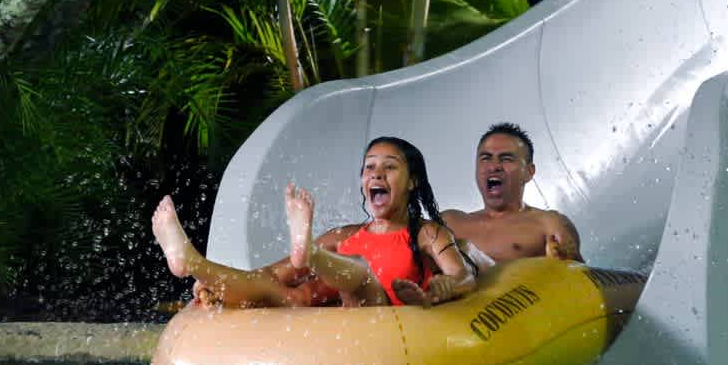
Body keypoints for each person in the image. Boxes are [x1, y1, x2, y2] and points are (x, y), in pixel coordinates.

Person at [151, 137, 477, 308]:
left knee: (361, 272)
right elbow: (270, 274)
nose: (376, 174)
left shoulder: (427, 233)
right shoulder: (343, 235)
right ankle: (190, 261)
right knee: (273, 288)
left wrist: (445, 286)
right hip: (342, 320)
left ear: (412, 182)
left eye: (389, 167)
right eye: (369, 168)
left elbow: (463, 276)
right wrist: (213, 283)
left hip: (382, 317)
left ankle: (310, 254)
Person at [442, 122, 584, 272]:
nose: (494, 166)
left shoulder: (549, 223)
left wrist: (563, 260)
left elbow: (582, 276)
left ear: (529, 172)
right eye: (486, 158)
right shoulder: (450, 222)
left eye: (506, 159)